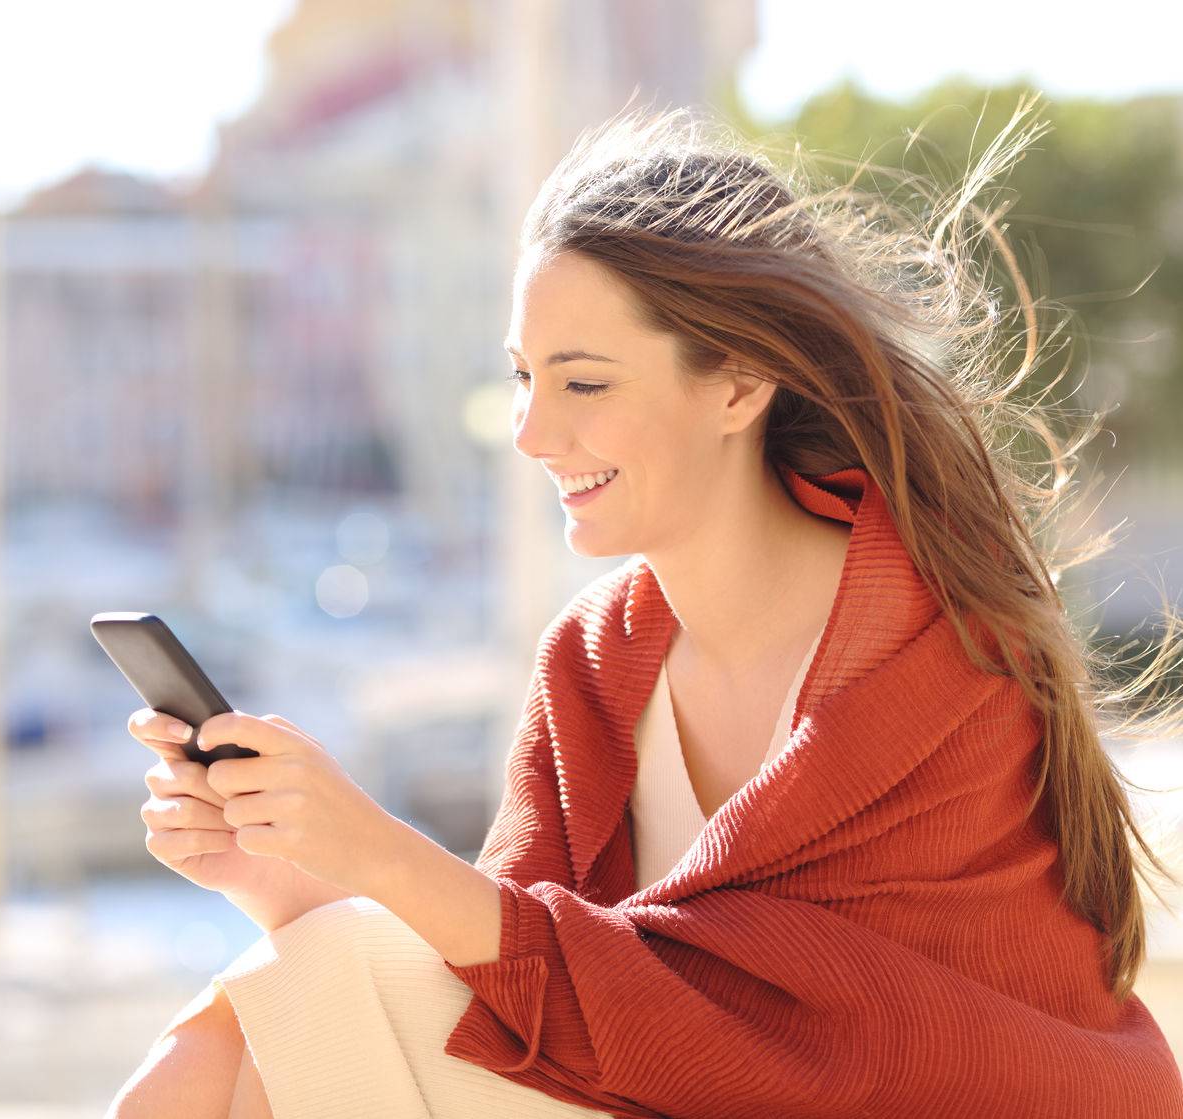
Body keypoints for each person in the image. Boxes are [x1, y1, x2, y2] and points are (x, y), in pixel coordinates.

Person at [107, 98, 1183, 1118]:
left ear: (737, 384)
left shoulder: (937, 660)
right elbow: (518, 993)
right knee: (260, 1017)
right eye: (522, 378)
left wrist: (378, 854)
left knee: (312, 986)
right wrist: (278, 873)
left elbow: (818, 1054)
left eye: (582, 383)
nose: (530, 432)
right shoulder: (590, 660)